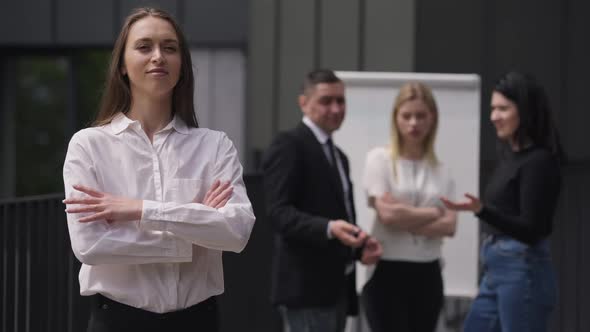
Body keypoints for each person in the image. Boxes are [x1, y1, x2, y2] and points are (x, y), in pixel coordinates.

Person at [62, 7, 255, 332]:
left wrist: (137, 210)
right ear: (122, 65)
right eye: (144, 46)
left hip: (198, 320)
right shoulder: (88, 146)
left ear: (182, 64)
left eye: (169, 47)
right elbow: (91, 246)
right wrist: (192, 230)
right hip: (118, 320)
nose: (158, 57)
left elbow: (236, 233)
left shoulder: (214, 145)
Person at [261, 69, 382, 332]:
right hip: (306, 289)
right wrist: (329, 228)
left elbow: (339, 214)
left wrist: (358, 246)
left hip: (336, 287)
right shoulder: (289, 145)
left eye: (341, 101)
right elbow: (278, 213)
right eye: (326, 101)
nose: (336, 108)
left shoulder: (339, 155)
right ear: (304, 103)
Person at [441, 71, 563, 332]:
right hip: (497, 267)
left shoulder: (539, 162)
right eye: (492, 108)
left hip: (522, 268)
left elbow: (532, 229)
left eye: (503, 108)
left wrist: (482, 210)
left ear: (525, 111)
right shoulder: (510, 157)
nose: (493, 116)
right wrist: (482, 211)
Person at [361, 82, 457, 332]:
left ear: (432, 118)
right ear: (396, 118)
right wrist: (433, 212)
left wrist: (405, 215)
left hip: (428, 272)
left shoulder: (442, 170)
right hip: (387, 271)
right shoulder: (378, 160)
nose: (414, 123)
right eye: (407, 115)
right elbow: (388, 215)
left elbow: (449, 226)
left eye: (421, 115)